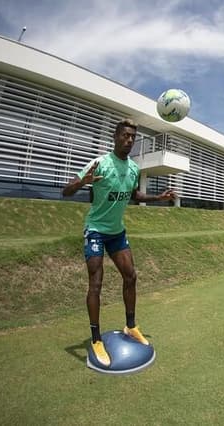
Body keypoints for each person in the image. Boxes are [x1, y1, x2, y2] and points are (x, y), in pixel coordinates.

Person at [62, 118, 177, 367]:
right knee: (96, 283)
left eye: (132, 137)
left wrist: (159, 196)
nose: (129, 140)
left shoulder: (134, 169)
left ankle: (131, 325)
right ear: (115, 137)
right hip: (95, 230)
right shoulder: (100, 164)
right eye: (125, 135)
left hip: (116, 232)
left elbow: (135, 195)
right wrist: (83, 182)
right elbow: (66, 191)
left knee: (131, 276)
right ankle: (95, 338)